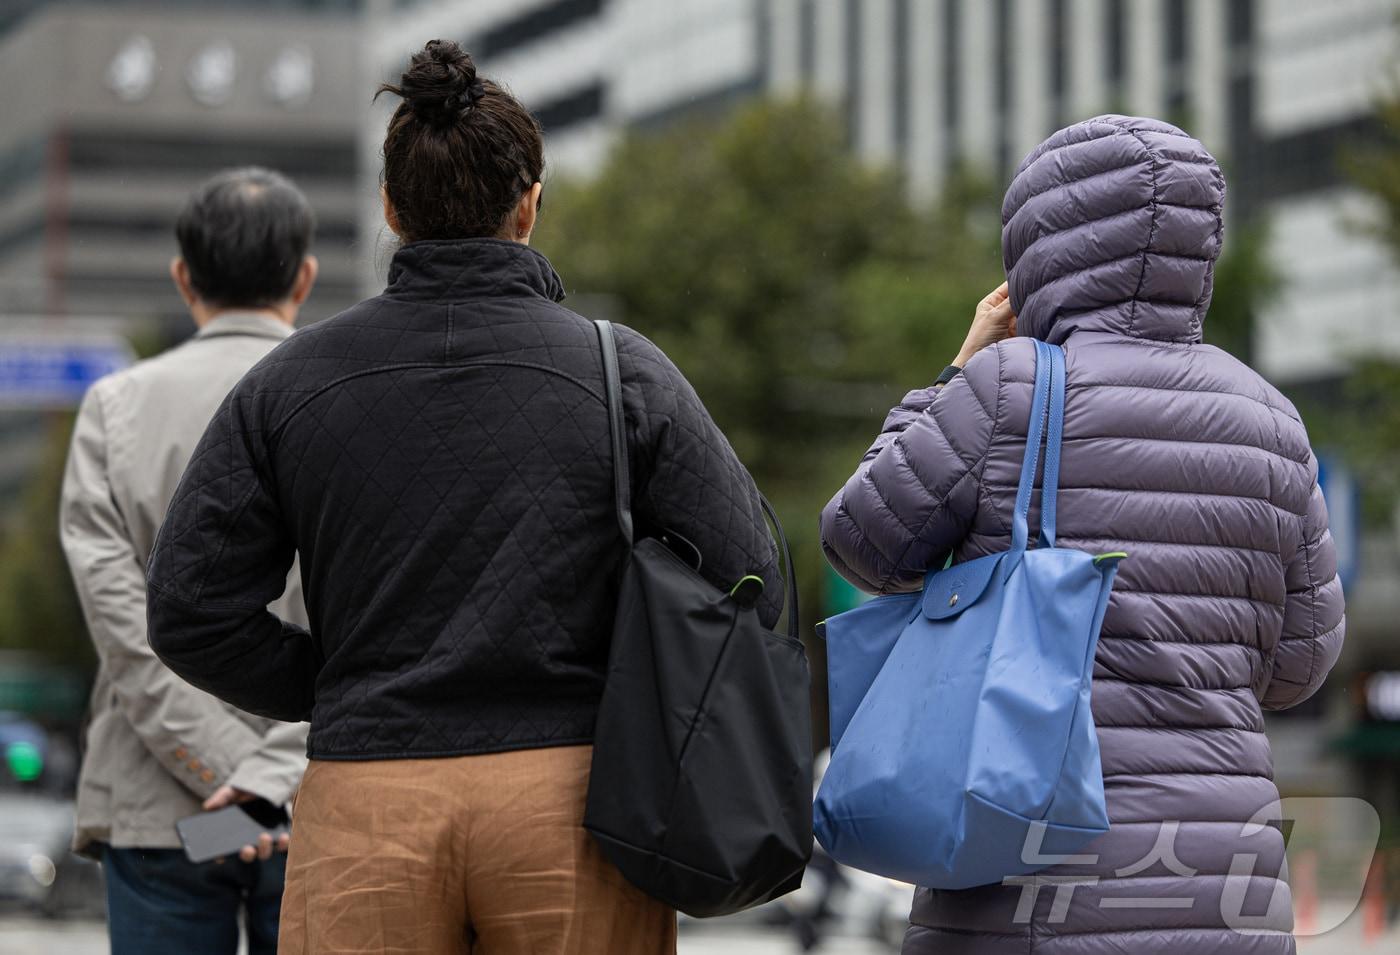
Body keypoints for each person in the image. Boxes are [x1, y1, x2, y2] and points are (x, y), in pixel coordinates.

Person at [144, 39, 779, 955]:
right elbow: (749, 569)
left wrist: (330, 680)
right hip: (573, 800)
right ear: (529, 206)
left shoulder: (287, 385)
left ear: (391, 209)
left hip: (367, 796)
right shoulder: (621, 371)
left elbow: (187, 608)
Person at [821, 115, 1344, 955]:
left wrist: (956, 369)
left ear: (1040, 245)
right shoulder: (1272, 420)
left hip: (1027, 878)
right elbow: (1299, 665)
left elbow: (860, 538)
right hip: (1226, 892)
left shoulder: (1009, 389)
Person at [59, 167, 318, 955]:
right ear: (304, 276)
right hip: (315, 792)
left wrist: (225, 775)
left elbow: (126, 635)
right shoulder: (349, 396)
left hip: (164, 804)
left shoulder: (114, 408)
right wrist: (267, 778)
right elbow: (381, 615)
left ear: (183, 278)